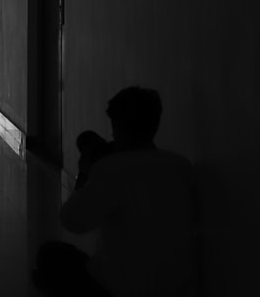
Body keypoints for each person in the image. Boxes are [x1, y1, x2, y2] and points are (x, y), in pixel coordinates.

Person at [34, 86, 199, 297]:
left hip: (121, 288)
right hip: (177, 287)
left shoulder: (110, 169)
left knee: (50, 255)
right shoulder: (181, 166)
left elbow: (71, 220)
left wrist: (85, 173)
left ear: (118, 127)